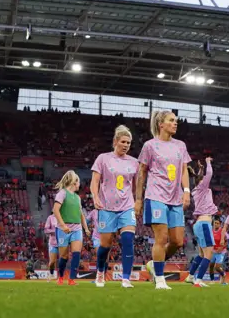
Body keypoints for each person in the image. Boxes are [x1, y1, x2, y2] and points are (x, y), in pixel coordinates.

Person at [135, 110, 191, 290]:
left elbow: (184, 170)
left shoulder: (180, 145)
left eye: (176, 120)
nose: (176, 123)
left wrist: (187, 191)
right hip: (155, 196)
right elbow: (141, 172)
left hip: (175, 198)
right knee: (161, 238)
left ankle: (153, 264)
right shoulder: (150, 146)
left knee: (177, 241)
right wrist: (138, 199)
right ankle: (160, 279)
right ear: (161, 124)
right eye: (171, 120)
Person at [90, 125, 140, 289]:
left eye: (129, 142)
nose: (126, 145)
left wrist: (138, 201)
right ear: (115, 141)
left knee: (127, 239)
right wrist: (95, 197)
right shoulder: (103, 158)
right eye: (123, 141)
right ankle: (100, 272)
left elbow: (137, 185)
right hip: (106, 208)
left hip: (127, 207)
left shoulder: (134, 162)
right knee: (105, 245)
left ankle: (126, 279)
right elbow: (95, 182)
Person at [53, 170, 91, 286]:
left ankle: (72, 279)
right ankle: (60, 277)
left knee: (76, 253)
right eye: (78, 182)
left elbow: (81, 215)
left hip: (77, 228)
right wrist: (63, 225)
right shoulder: (62, 193)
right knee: (63, 256)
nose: (80, 184)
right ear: (74, 182)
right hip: (63, 228)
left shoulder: (77, 198)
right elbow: (55, 210)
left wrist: (86, 228)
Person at [185, 157, 216, 287]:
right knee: (209, 253)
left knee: (202, 254)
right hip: (204, 223)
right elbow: (209, 174)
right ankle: (198, 280)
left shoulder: (197, 190)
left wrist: (201, 168)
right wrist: (208, 161)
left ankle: (190, 276)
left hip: (200, 223)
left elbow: (202, 175)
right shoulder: (202, 187)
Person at [209, 218, 227, 285]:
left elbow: (227, 241)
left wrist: (221, 248)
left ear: (220, 224)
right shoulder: (211, 231)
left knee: (217, 267)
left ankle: (223, 275)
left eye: (217, 223)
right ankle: (212, 280)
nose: (216, 224)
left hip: (220, 252)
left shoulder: (222, 231)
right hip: (213, 251)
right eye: (215, 223)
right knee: (211, 266)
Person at [43, 213, 60, 282]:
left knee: (62, 260)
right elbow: (46, 229)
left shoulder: (64, 216)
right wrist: (54, 231)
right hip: (53, 243)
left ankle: (60, 277)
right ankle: (50, 275)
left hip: (62, 242)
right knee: (52, 261)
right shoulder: (50, 217)